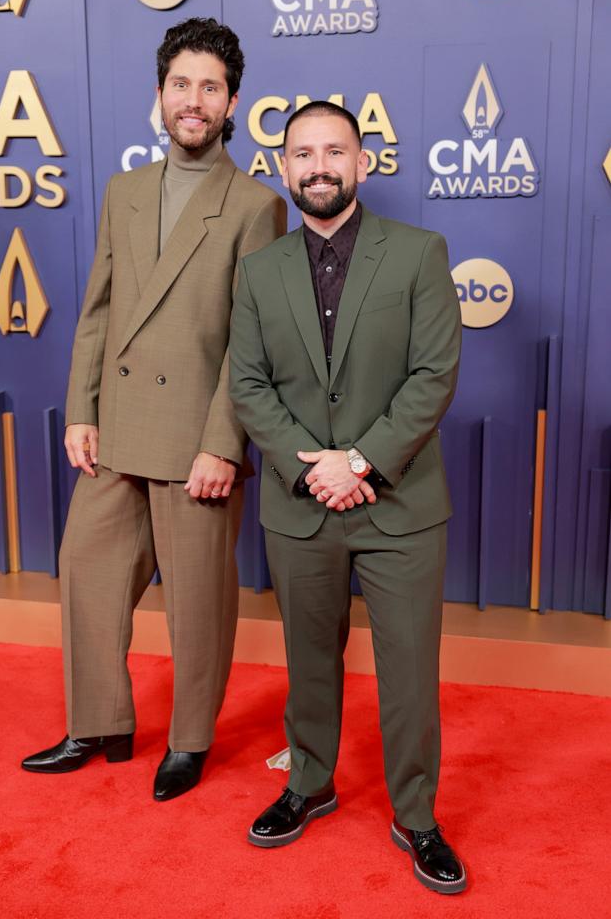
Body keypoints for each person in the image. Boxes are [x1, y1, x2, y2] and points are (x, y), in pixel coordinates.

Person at [21, 18, 286, 801]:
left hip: (195, 440)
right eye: (181, 85)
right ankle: (98, 722)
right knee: (87, 571)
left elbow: (252, 345)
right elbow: (98, 311)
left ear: (231, 100)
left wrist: (222, 445)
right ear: (159, 96)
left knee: (198, 604)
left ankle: (190, 740)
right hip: (119, 426)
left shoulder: (254, 206)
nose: (193, 101)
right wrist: (80, 409)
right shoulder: (123, 191)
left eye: (210, 87)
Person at [229, 101, 465, 893]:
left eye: (335, 151)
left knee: (408, 670)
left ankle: (417, 816)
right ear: (284, 167)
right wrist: (311, 469)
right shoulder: (259, 270)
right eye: (302, 154)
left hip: (398, 505)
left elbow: (433, 374)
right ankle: (309, 784)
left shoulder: (419, 253)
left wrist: (358, 461)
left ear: (361, 163)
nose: (319, 166)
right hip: (301, 506)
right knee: (307, 664)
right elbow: (248, 384)